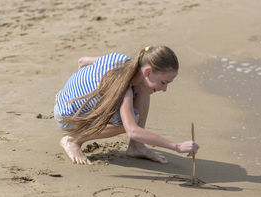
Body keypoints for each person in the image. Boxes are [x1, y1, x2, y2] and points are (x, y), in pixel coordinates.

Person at [54, 45, 199, 165]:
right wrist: (177, 146)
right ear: (148, 71)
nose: (164, 89)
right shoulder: (124, 89)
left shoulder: (122, 60)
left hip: (63, 99)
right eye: (163, 82)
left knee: (143, 88)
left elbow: (82, 62)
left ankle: (137, 146)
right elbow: (132, 131)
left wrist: (85, 89)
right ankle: (73, 140)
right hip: (68, 116)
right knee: (130, 121)